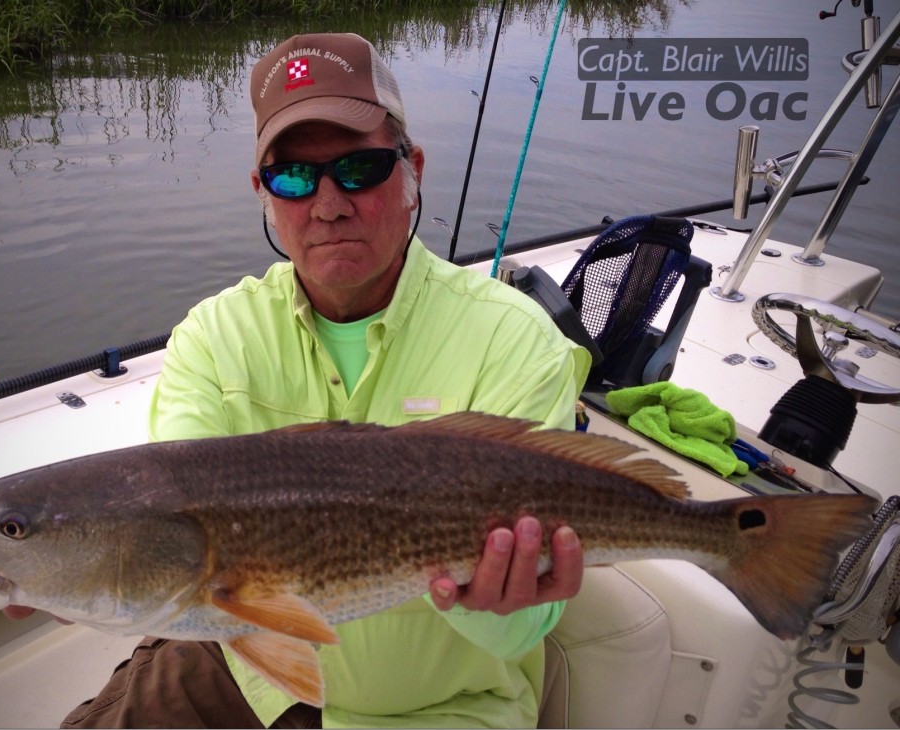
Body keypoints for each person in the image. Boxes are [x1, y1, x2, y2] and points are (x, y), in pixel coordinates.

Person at [57, 31, 590, 728]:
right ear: (264, 194)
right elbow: (171, 534)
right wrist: (53, 573)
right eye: (295, 178)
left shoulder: (513, 342)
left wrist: (498, 602)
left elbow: (527, 631)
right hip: (245, 672)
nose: (328, 203)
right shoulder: (214, 340)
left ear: (413, 170)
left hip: (442, 708)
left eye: (360, 168)